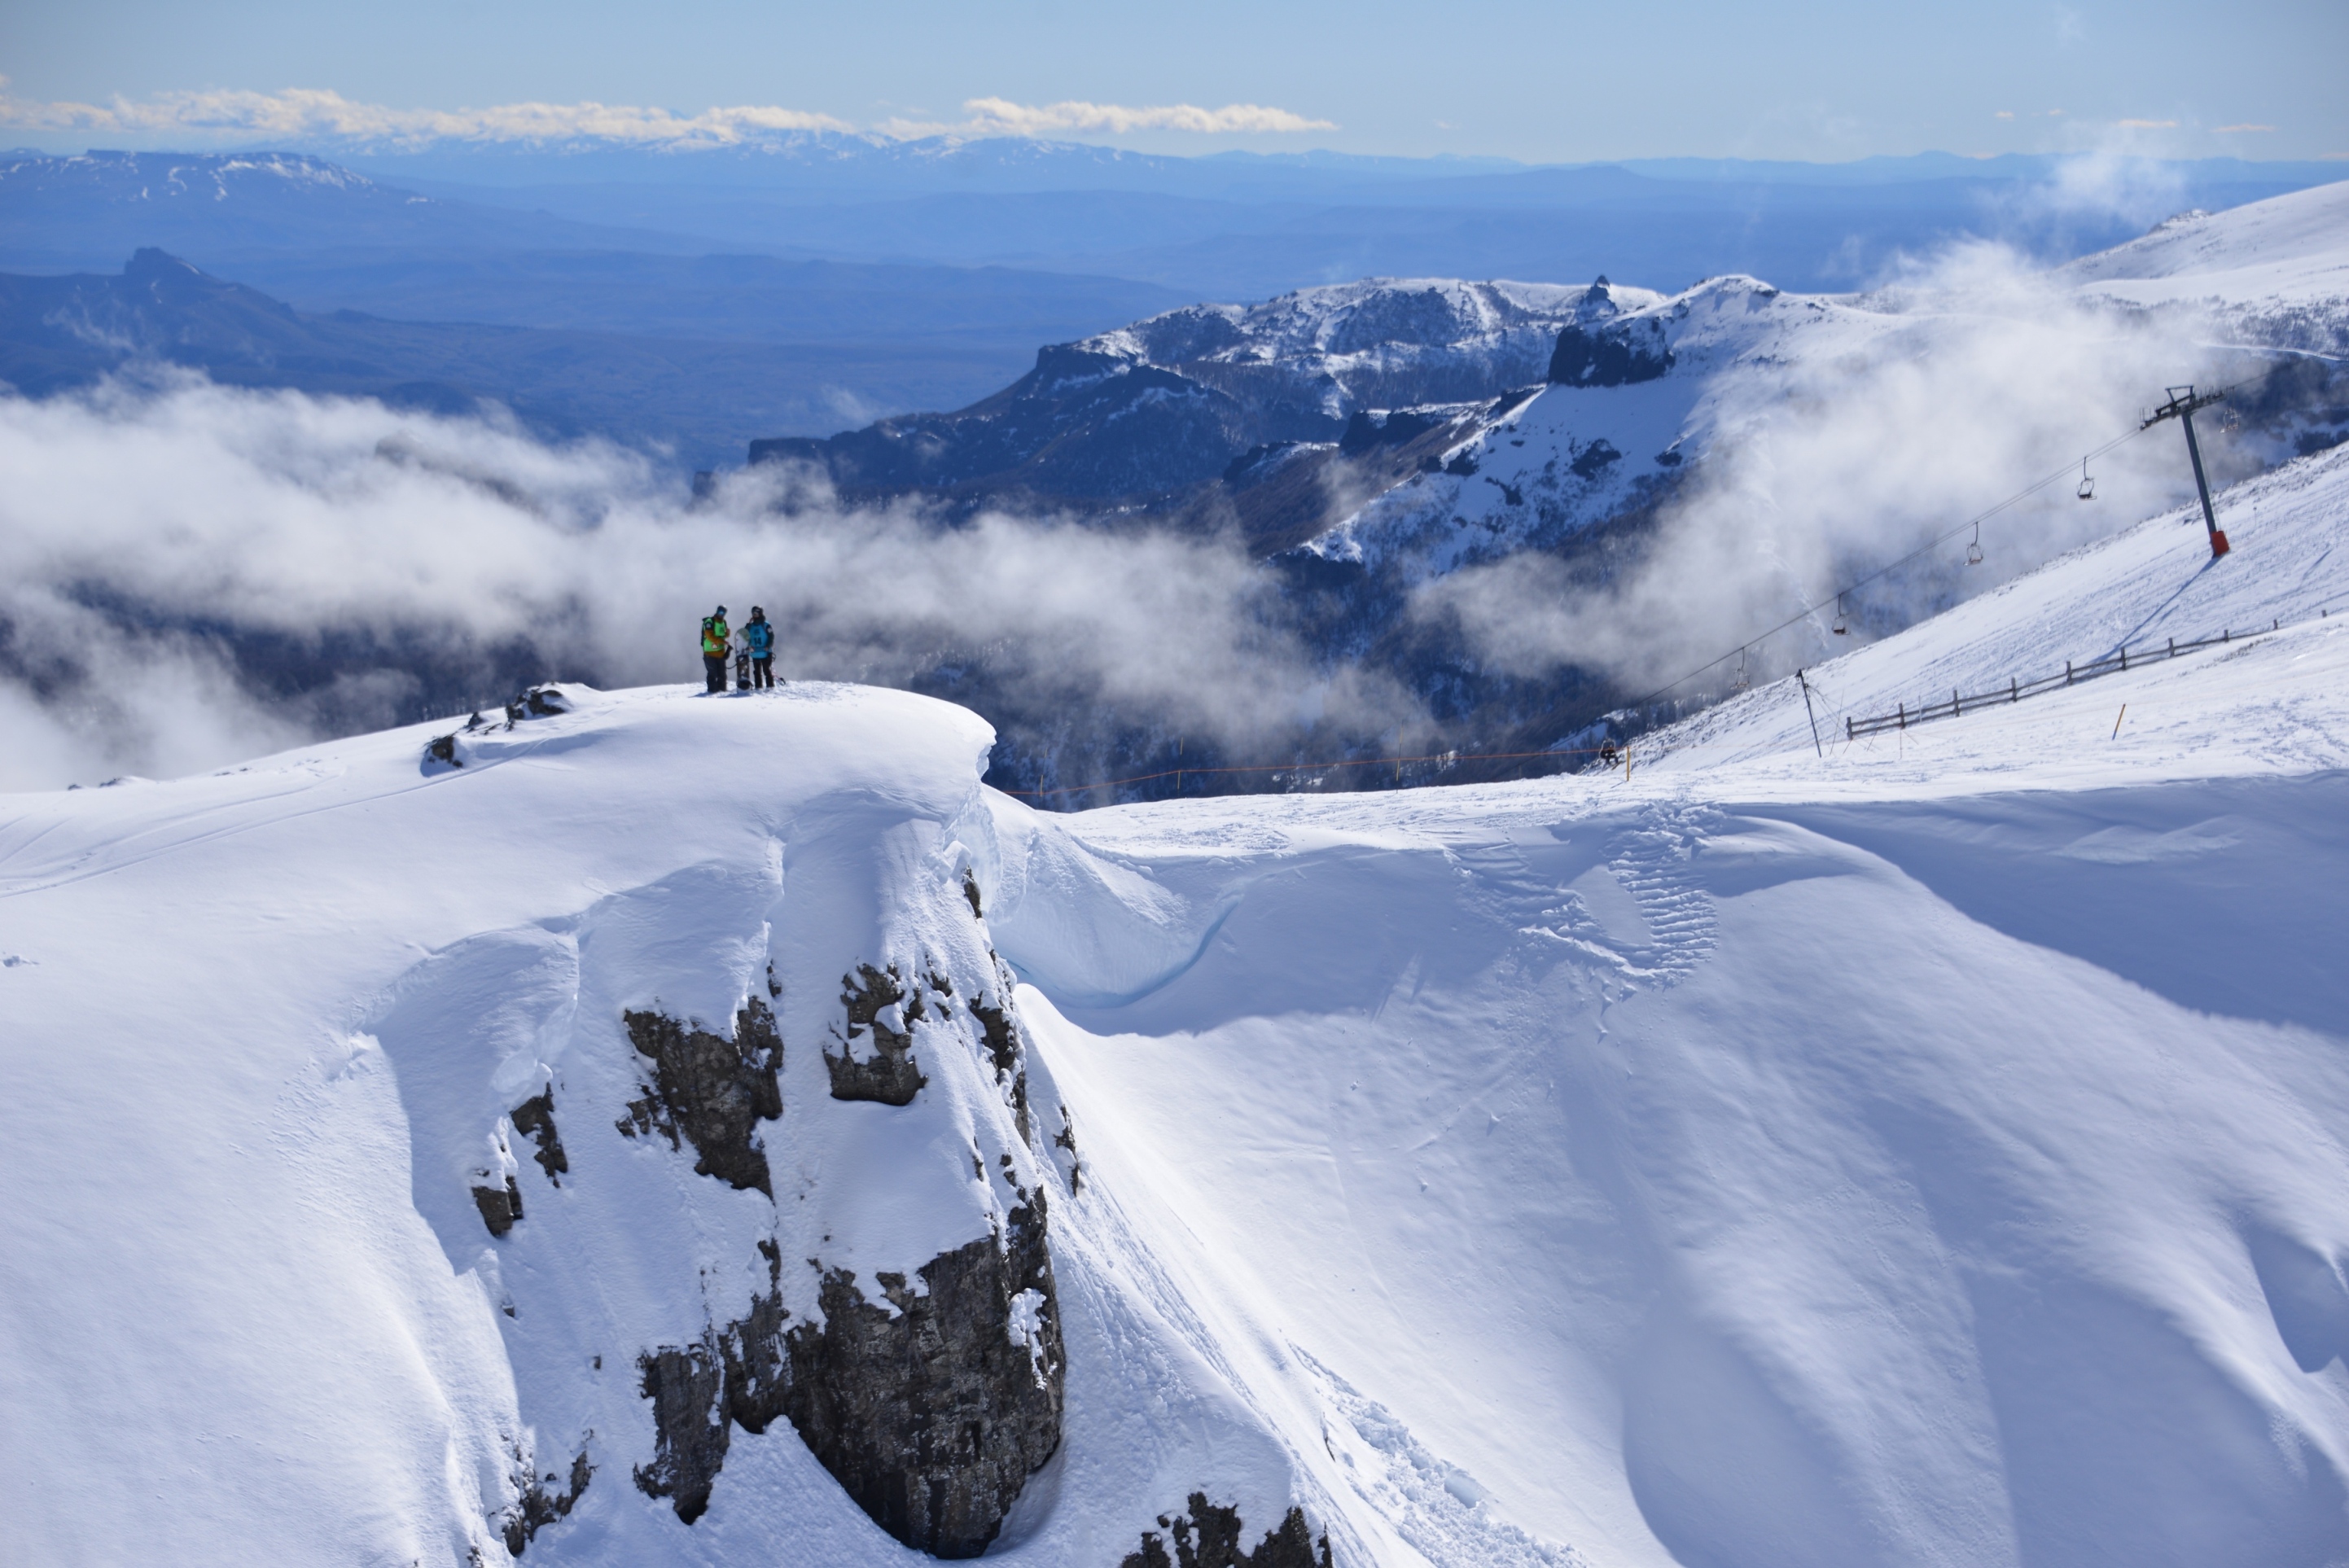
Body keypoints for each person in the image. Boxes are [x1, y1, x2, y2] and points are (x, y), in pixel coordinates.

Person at [743, 606, 777, 689]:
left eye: (756, 613)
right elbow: (744, 634)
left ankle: (770, 686)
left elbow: (771, 636)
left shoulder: (766, 625)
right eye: (753, 613)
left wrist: (768, 646)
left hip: (766, 652)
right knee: (757, 671)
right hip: (755, 653)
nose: (755, 615)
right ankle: (758, 687)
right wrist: (748, 624)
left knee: (767, 670)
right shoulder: (751, 626)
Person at [700, 605, 730, 694]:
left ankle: (722, 690)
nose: (721, 614)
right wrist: (722, 642)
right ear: (717, 611)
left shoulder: (723, 622)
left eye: (723, 613)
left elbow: (722, 635)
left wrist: (727, 634)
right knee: (712, 673)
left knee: (722, 674)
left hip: (720, 652)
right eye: (720, 612)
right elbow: (710, 636)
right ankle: (712, 691)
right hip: (710, 652)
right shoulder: (709, 622)